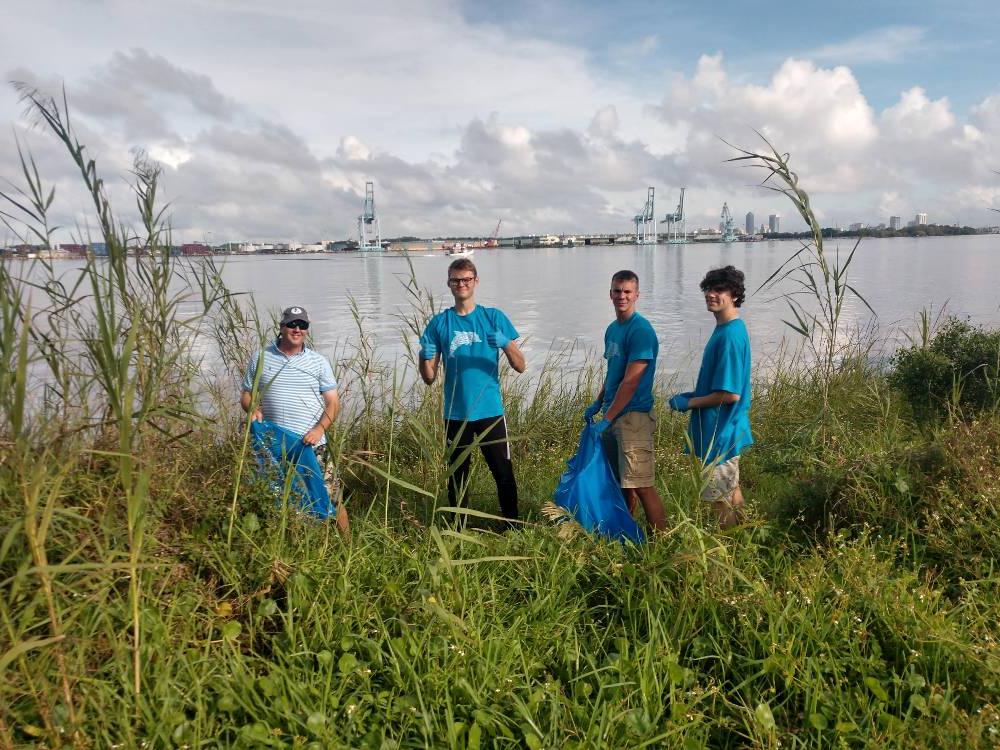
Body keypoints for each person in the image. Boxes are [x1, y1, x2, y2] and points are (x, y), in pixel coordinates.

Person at [418, 259, 526, 524]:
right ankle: (458, 527)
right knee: (457, 476)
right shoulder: (439, 323)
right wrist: (424, 357)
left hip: (490, 411)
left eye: (466, 279)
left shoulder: (493, 317)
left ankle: (513, 526)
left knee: (503, 472)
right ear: (449, 284)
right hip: (456, 413)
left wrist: (505, 344)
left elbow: (521, 366)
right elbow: (430, 378)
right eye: (456, 280)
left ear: (475, 281)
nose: (461, 284)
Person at [241, 305, 349, 532]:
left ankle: (348, 546)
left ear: (307, 330)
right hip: (275, 447)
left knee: (333, 497)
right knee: (281, 498)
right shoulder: (260, 358)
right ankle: (292, 543)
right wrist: (252, 409)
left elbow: (333, 403)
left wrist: (319, 429)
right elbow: (246, 394)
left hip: (313, 444)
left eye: (302, 325)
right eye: (292, 324)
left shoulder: (318, 362)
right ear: (282, 327)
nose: (297, 329)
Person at [668, 266, 752, 529]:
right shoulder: (728, 329)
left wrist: (689, 403)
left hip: (721, 433)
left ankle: (725, 553)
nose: (711, 295)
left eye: (719, 290)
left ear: (735, 295)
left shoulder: (729, 336)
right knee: (731, 490)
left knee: (719, 500)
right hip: (727, 430)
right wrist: (695, 393)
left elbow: (730, 394)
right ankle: (743, 538)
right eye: (708, 289)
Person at [583, 270, 667, 531]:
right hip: (612, 414)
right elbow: (614, 375)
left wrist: (607, 418)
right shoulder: (612, 330)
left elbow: (631, 382)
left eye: (627, 292)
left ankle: (663, 540)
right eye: (617, 291)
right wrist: (599, 402)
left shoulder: (641, 331)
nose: (622, 296)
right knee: (620, 481)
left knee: (641, 483)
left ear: (637, 295)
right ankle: (626, 531)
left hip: (633, 418)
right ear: (610, 294)